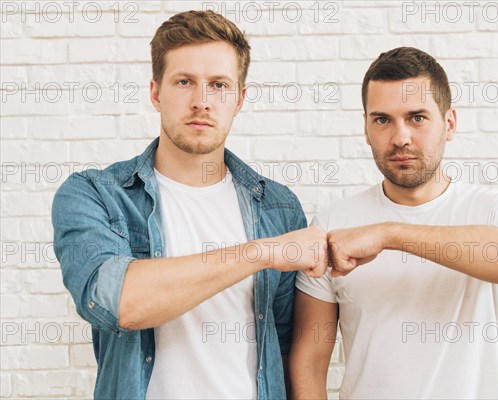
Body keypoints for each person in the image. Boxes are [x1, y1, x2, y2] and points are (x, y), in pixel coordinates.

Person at [52, 10, 327, 400]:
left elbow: (283, 347)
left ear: (240, 99)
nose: (202, 101)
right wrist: (264, 252)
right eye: (184, 82)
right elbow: (118, 303)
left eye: (219, 85)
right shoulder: (95, 194)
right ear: (155, 92)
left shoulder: (278, 208)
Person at [290, 47, 498, 399]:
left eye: (417, 117)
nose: (400, 138)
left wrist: (389, 234)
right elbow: (309, 361)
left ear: (449, 124)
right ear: (366, 129)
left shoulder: (496, 211)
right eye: (382, 119)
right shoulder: (335, 223)